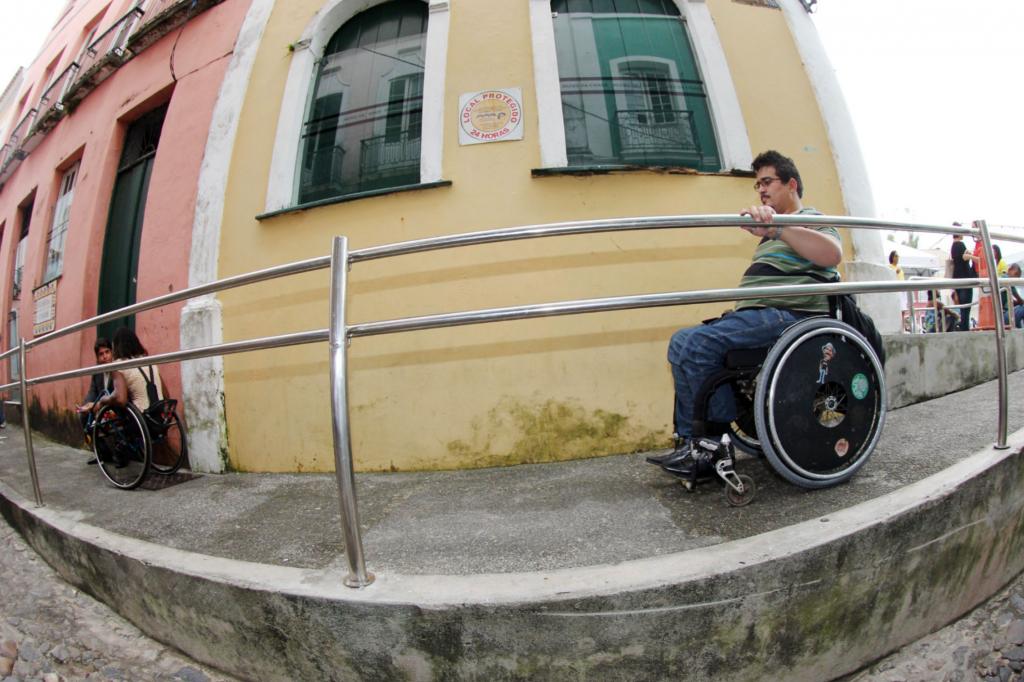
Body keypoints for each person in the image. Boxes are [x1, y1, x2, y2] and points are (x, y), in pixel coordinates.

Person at [647, 150, 842, 476]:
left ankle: (713, 443)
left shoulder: (807, 218)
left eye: (767, 182)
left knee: (697, 344)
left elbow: (831, 254)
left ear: (791, 184)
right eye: (757, 185)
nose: (761, 190)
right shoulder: (773, 232)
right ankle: (693, 442)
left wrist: (778, 229)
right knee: (681, 342)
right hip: (756, 316)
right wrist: (771, 232)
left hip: (788, 317)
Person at [91, 327, 165, 416]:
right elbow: (166, 394)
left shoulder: (119, 364)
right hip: (160, 419)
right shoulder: (150, 362)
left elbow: (121, 399)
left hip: (141, 418)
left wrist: (103, 400)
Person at [77, 337, 113, 437]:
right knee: (83, 415)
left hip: (113, 406)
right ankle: (96, 447)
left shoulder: (118, 369)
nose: (105, 356)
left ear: (112, 352)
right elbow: (92, 391)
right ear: (97, 358)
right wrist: (86, 405)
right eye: (101, 354)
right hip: (100, 407)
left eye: (107, 352)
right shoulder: (97, 372)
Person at [950, 228, 975, 331]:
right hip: (965, 278)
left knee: (962, 307)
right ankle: (965, 327)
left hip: (957, 279)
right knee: (966, 308)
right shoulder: (960, 245)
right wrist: (972, 256)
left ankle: (963, 327)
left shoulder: (953, 247)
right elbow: (965, 258)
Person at [1007, 263, 1024, 329]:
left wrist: (1017, 303)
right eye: (1016, 274)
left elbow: (1011, 302)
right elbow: (1019, 300)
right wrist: (1021, 302)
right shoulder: (1006, 279)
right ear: (1009, 270)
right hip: (1003, 315)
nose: (1016, 278)